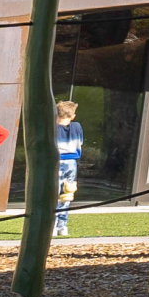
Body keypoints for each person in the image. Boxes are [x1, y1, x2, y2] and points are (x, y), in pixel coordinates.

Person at [52, 100, 83, 237]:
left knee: (53, 193)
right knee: (67, 193)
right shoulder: (77, 126)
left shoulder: (52, 128)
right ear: (72, 116)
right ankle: (62, 226)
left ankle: (51, 224)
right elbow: (80, 142)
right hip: (72, 161)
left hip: (56, 160)